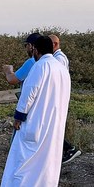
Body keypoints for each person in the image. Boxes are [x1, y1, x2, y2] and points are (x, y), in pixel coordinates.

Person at [1, 36, 71, 186]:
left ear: (36, 50)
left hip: (35, 123)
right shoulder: (61, 68)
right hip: (54, 124)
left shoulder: (40, 66)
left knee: (23, 163)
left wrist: (18, 117)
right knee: (47, 163)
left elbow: (29, 92)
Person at [49, 34, 81, 164]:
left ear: (55, 44)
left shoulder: (59, 59)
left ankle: (69, 149)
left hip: (57, 99)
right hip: (57, 98)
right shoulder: (58, 58)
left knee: (54, 127)